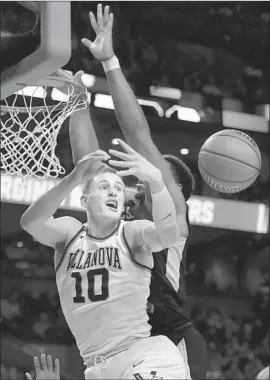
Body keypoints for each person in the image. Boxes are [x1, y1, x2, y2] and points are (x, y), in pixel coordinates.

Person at [80, 4, 208, 379]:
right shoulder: (121, 216)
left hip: (167, 338)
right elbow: (88, 165)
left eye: (155, 172)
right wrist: (76, 104)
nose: (142, 175)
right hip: (121, 345)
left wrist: (110, 62)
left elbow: (139, 135)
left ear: (177, 190)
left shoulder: (167, 206)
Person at [20, 139, 187, 379]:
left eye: (119, 188)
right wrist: (74, 178)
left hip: (140, 354)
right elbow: (30, 223)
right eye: (104, 187)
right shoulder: (70, 233)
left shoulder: (130, 232)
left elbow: (168, 236)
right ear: (84, 201)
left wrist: (157, 182)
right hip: (96, 368)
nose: (113, 192)